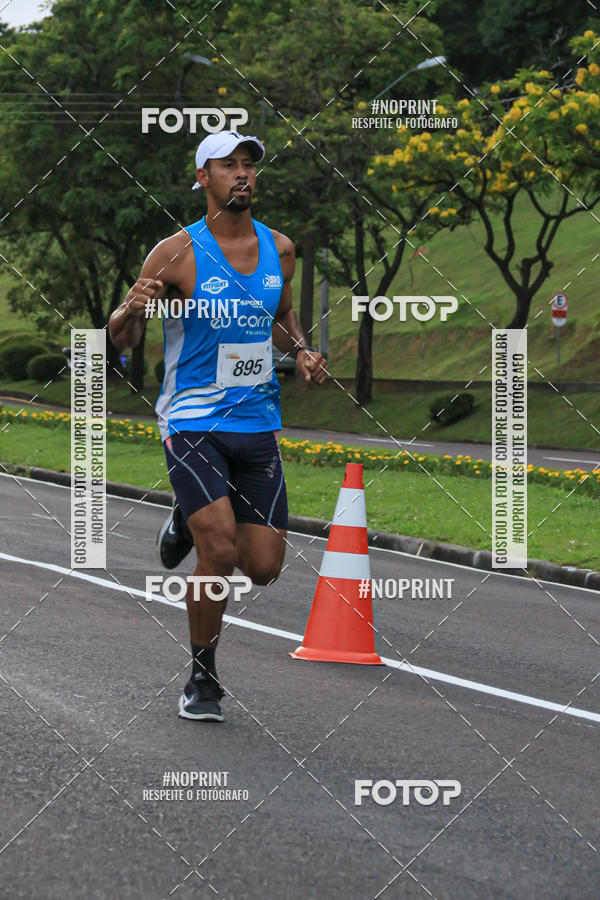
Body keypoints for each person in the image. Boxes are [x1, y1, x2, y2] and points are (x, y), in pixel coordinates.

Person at [109, 130, 328, 722]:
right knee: (221, 550)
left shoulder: (279, 249)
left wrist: (302, 351)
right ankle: (202, 679)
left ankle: (186, 510)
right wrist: (131, 309)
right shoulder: (176, 252)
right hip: (192, 420)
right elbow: (120, 336)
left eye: (249, 164)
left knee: (263, 567)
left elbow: (281, 318)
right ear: (202, 178)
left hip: (257, 422)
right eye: (228, 165)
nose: (243, 174)